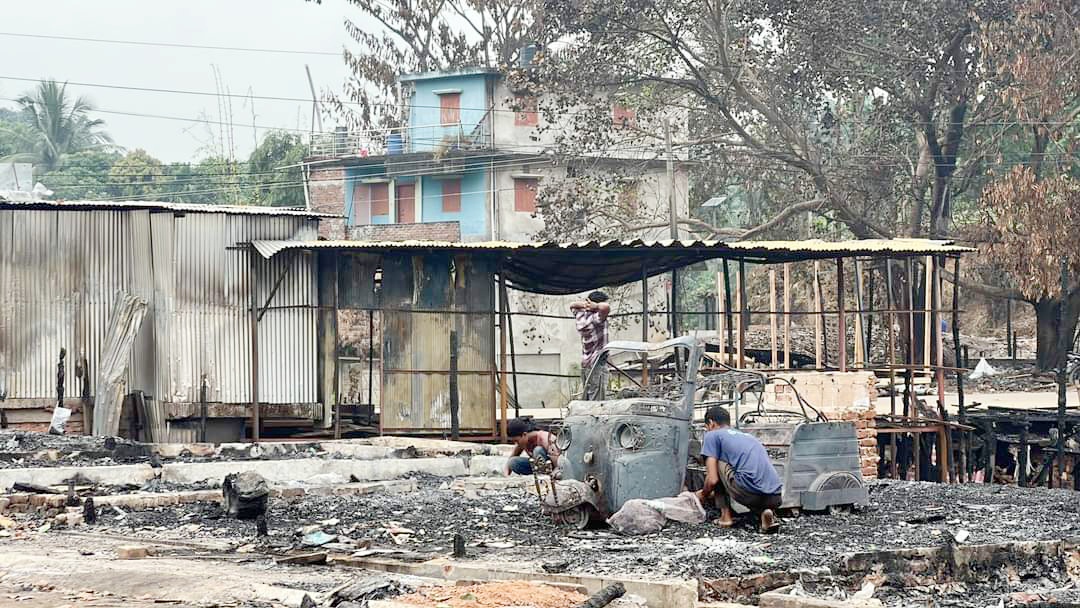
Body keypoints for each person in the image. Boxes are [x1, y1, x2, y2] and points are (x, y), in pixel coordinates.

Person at [697, 406, 783, 532]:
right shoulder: (747, 437)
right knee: (749, 477)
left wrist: (703, 494)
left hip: (749, 493)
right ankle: (766, 514)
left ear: (711, 423)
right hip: (776, 496)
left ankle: (725, 517)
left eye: (707, 427)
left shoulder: (712, 435)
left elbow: (713, 480)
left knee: (717, 462)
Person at [571, 291, 610, 399]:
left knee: (588, 397)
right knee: (597, 400)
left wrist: (585, 305)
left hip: (586, 364)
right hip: (597, 363)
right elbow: (606, 307)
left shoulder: (580, 316)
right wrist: (595, 306)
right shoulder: (596, 318)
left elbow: (572, 305)